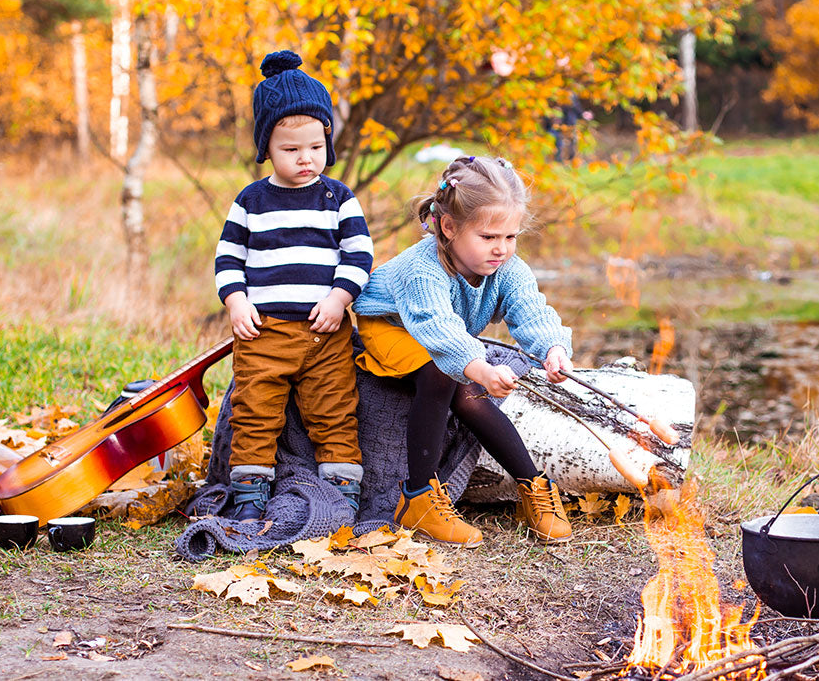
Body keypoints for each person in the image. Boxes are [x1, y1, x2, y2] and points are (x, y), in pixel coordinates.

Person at [353, 155, 575, 546]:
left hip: (445, 334)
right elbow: (438, 331)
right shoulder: (421, 269)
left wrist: (552, 349)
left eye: (511, 236)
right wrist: (480, 368)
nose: (501, 249)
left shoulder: (507, 267)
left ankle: (534, 487)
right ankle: (418, 497)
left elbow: (530, 310)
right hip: (392, 326)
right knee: (445, 373)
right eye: (488, 237)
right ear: (450, 227)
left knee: (465, 387)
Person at [214, 50, 374, 521]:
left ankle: (342, 491)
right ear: (267, 146)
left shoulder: (338, 197)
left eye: (315, 147)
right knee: (255, 409)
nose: (306, 159)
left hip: (325, 331)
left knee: (335, 408)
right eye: (291, 150)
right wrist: (236, 301)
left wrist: (339, 297)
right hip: (263, 333)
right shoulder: (251, 201)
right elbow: (228, 258)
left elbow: (360, 256)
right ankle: (248, 494)